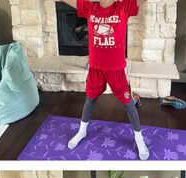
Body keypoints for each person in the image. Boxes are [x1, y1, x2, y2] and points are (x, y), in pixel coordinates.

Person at [61, 0, 150, 160]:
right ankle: (82, 130)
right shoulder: (90, 7)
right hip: (96, 68)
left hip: (116, 70)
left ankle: (138, 137)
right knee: (90, 99)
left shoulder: (123, 7)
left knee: (128, 104)